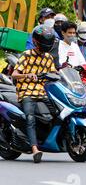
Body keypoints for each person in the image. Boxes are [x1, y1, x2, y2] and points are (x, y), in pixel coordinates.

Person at [12, 25, 57, 163]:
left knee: (58, 113)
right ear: (36, 41)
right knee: (30, 118)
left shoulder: (49, 57)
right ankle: (34, 148)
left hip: (43, 92)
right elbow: (14, 74)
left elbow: (54, 73)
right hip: (27, 91)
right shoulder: (26, 55)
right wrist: (27, 75)